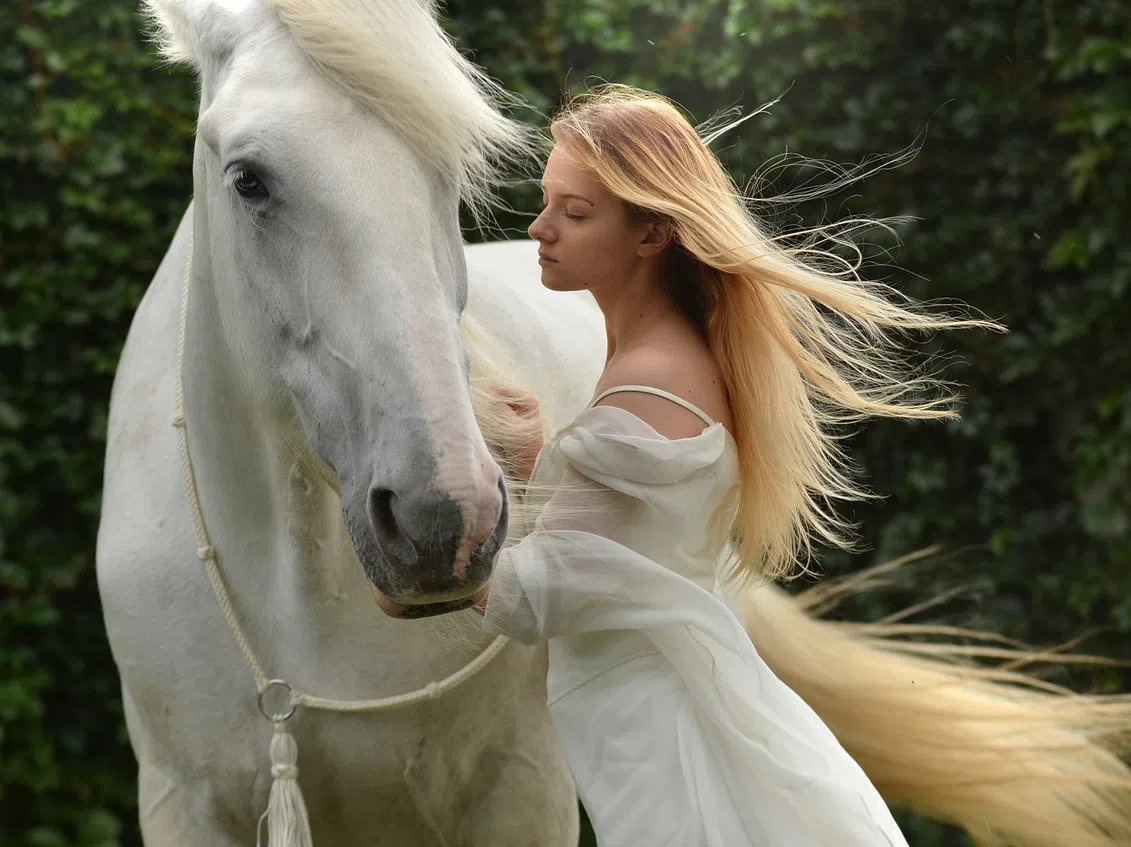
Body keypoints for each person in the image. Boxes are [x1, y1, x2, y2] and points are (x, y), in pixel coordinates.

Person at [475, 84, 991, 845]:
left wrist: (415, 568)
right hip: (657, 716)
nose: (539, 228)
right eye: (546, 200)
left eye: (574, 213)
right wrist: (529, 457)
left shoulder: (646, 380)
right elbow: (617, 550)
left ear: (650, 235)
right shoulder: (666, 357)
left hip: (664, 741)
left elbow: (528, 600)